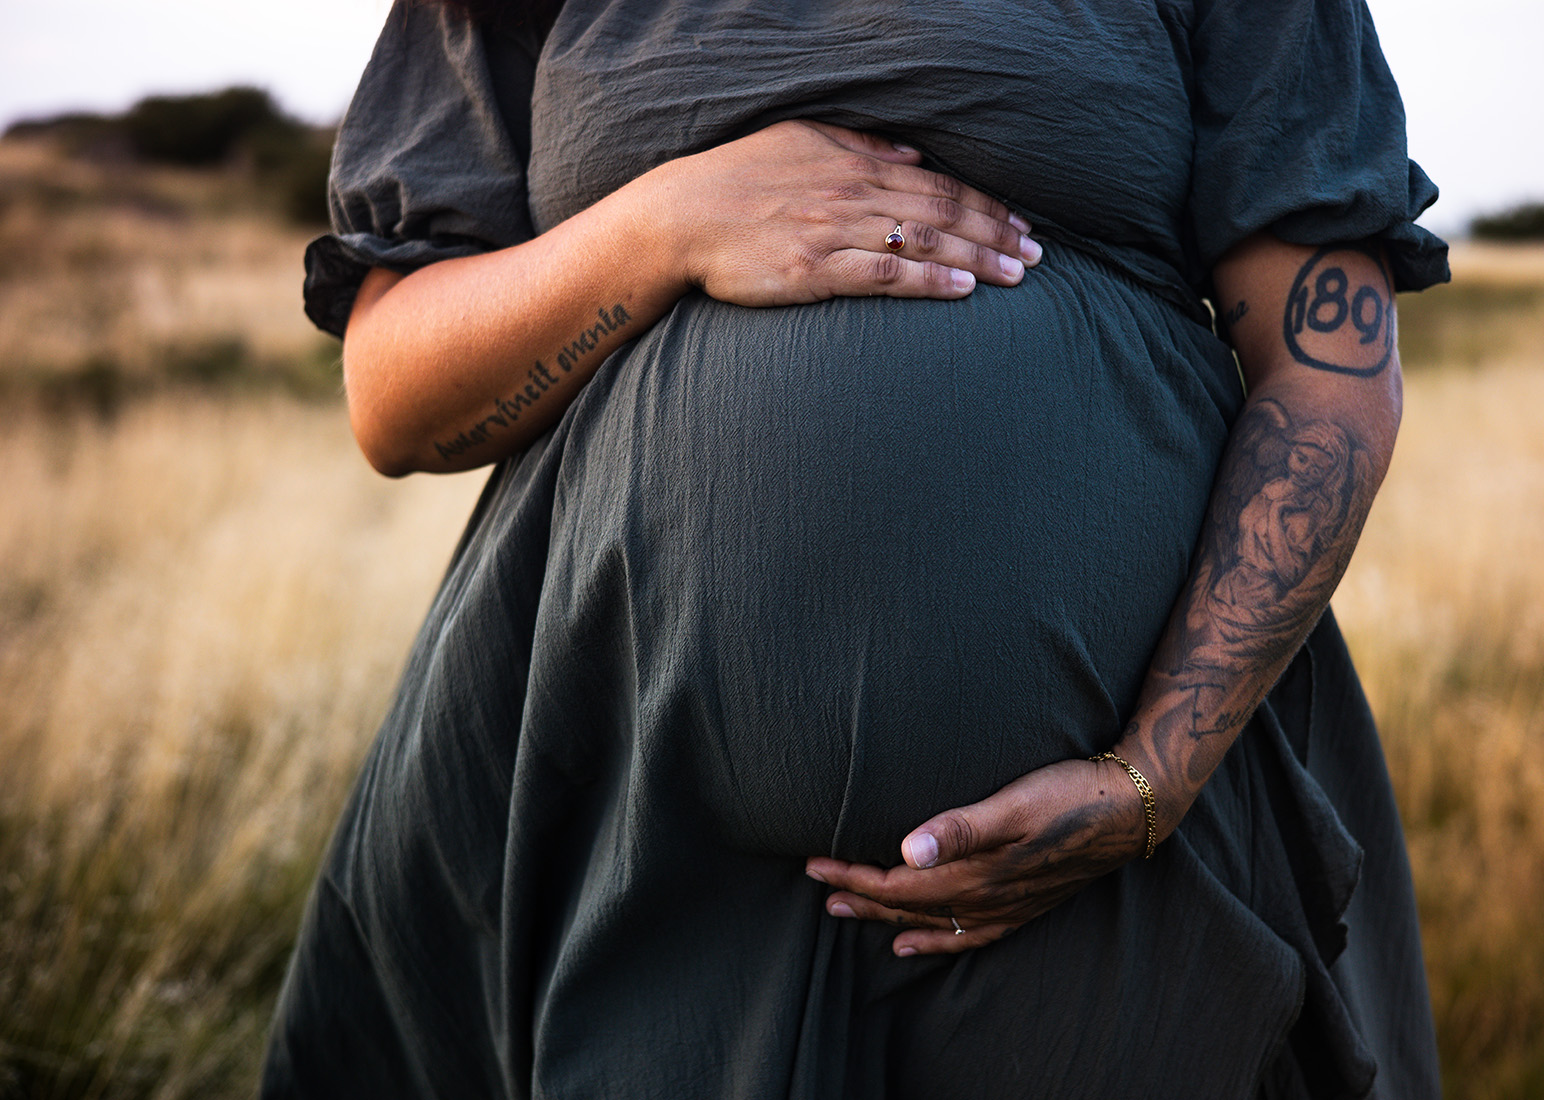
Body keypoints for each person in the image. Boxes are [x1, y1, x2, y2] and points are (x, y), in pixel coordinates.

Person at [265, 0, 1451, 1095]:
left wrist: (1154, 775)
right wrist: (668, 224)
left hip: (1110, 853)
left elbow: (1328, 370)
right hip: (620, 824)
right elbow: (394, 398)